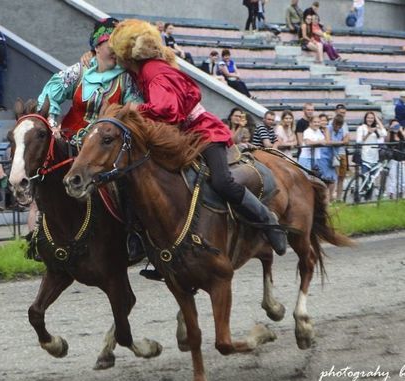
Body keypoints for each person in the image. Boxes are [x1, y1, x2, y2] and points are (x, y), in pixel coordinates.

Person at [109, 19, 287, 256]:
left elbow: (167, 110)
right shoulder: (140, 72)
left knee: (222, 182)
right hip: (179, 136)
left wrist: (133, 111)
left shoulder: (153, 71)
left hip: (202, 131)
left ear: (127, 53)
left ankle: (269, 222)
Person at [38, 18, 141, 146]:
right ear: (97, 47)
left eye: (120, 47)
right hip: (68, 145)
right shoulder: (79, 71)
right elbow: (48, 96)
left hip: (103, 153)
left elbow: (135, 115)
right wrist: (52, 126)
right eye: (112, 46)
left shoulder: (127, 79)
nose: (117, 52)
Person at [328, 114, 349, 201]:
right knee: (333, 177)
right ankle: (331, 197)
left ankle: (339, 198)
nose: (338, 127)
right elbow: (329, 142)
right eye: (336, 125)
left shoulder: (341, 129)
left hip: (339, 154)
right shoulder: (329, 128)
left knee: (341, 176)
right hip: (330, 155)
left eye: (339, 126)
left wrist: (337, 142)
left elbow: (346, 140)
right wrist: (341, 142)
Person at [316, 113, 337, 198]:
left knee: (332, 178)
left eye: (325, 120)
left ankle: (330, 197)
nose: (323, 122)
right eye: (322, 120)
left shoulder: (328, 129)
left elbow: (328, 141)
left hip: (329, 155)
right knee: (324, 178)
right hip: (320, 156)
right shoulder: (317, 130)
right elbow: (327, 141)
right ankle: (324, 197)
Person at [386, 119, 405, 199]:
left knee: (403, 178)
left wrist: (401, 130)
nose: (395, 127)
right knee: (392, 178)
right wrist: (390, 130)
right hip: (393, 159)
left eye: (397, 125)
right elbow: (386, 141)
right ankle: (391, 195)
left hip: (402, 159)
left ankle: (401, 194)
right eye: (394, 125)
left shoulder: (401, 135)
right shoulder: (390, 135)